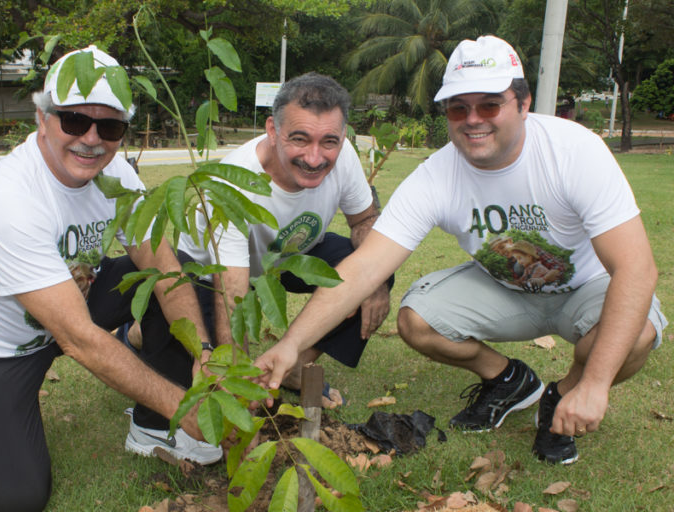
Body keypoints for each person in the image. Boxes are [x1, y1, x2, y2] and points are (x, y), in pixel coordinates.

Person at [255, 35, 667, 465]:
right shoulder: (437, 175)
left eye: (490, 104)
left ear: (523, 104)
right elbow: (360, 271)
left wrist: (595, 384)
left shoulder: (573, 151)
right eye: (458, 107)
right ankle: (509, 380)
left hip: (586, 286)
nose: (473, 120)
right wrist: (290, 345)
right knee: (417, 320)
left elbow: (637, 269)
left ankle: (559, 396)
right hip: (506, 290)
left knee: (636, 333)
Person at [0, 45, 222, 512]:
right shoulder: (8, 201)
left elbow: (162, 265)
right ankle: (161, 399)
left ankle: (149, 425)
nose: (91, 139)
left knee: (175, 267)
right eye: (73, 121)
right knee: (18, 499)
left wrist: (204, 352)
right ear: (42, 118)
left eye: (109, 127)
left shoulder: (117, 174)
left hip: (71, 302)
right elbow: (81, 340)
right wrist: (184, 408)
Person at [177, 72, 392, 408]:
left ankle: (293, 365)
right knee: (192, 362)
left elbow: (365, 220)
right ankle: (140, 331)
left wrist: (373, 283)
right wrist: (241, 377)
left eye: (329, 142)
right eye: (300, 139)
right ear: (272, 131)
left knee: (377, 264)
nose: (314, 157)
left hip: (288, 256)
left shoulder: (343, 155)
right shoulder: (237, 180)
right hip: (211, 274)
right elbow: (230, 286)